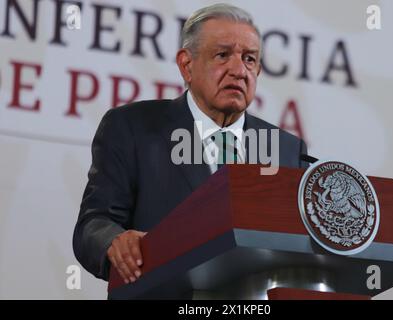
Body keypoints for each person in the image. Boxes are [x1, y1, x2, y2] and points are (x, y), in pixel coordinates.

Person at [73, 3, 308, 287]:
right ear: (187, 65)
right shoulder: (132, 127)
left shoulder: (286, 149)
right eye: (222, 55)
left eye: (249, 59)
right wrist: (114, 240)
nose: (238, 70)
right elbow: (94, 224)